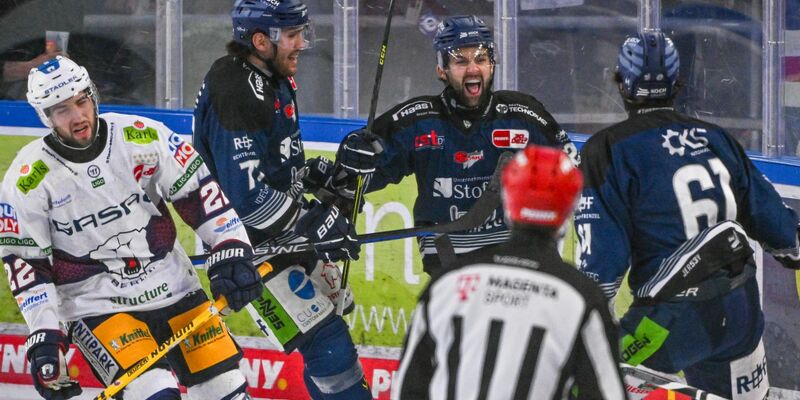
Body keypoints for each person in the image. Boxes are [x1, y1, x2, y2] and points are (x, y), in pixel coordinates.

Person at [0, 56, 262, 399]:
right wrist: (45, 336)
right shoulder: (28, 179)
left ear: (93, 95)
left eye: (82, 101)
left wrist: (232, 247)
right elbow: (27, 266)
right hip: (95, 306)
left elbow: (201, 195)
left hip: (175, 289)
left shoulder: (142, 138)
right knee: (155, 393)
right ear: (45, 117)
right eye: (62, 110)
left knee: (227, 389)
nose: (78, 116)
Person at [575, 31, 800, 400]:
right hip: (740, 308)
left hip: (671, 322)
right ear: (679, 82)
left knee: (585, 378)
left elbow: (600, 270)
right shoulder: (717, 137)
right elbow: (783, 234)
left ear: (621, 84)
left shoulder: (608, 149)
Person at [192, 1, 371, 399]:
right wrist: (314, 224)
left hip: (283, 234)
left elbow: (273, 162)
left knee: (334, 323)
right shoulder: (235, 89)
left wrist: (319, 176)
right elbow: (246, 198)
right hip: (246, 247)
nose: (302, 44)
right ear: (260, 41)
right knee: (328, 344)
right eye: (292, 35)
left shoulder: (269, 76)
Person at [332, 15, 580, 277]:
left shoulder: (523, 114)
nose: (473, 69)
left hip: (516, 251)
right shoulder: (417, 120)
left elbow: (573, 171)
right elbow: (357, 175)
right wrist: (352, 156)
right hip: (449, 253)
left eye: (481, 59)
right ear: (442, 69)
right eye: (461, 61)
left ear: (492, 65)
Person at [393, 145, 626, 399]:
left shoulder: (448, 283)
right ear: (569, 211)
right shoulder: (581, 297)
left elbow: (407, 387)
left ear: (507, 204)